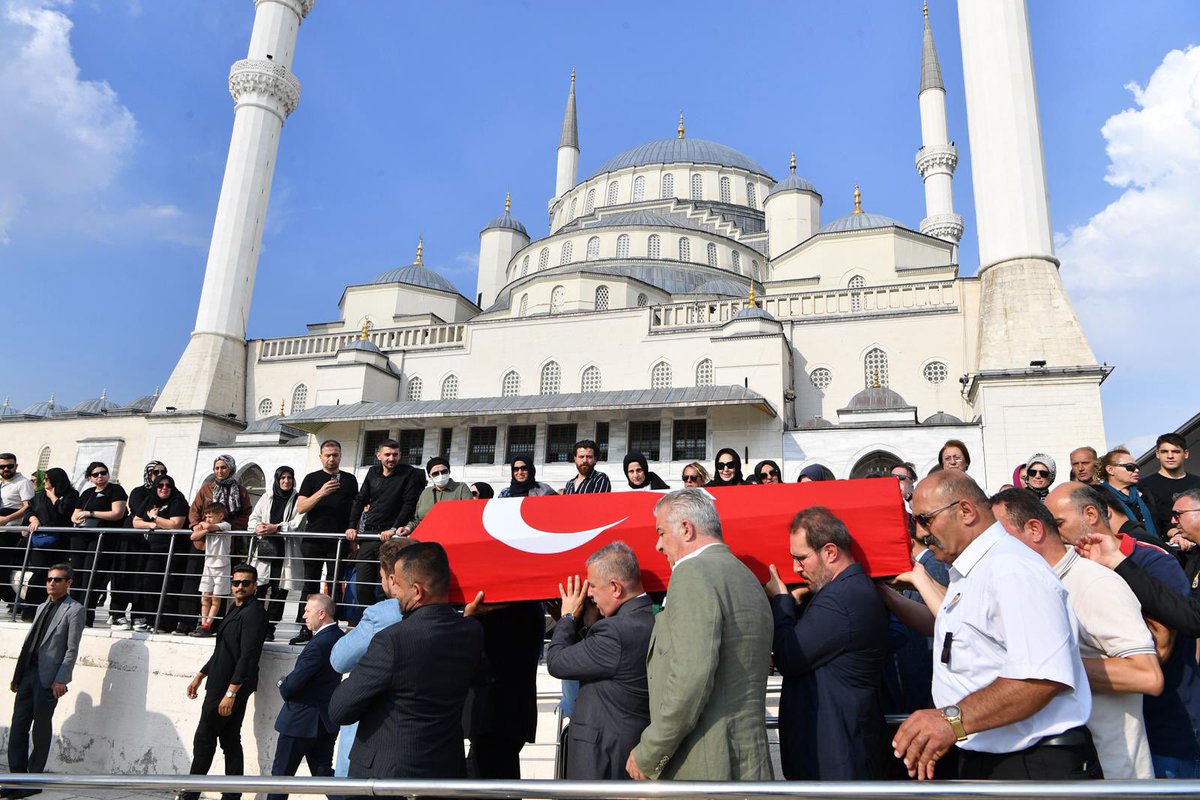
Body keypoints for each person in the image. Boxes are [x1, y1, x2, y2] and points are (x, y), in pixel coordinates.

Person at [889, 471, 1097, 781]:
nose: (921, 532)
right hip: (991, 756)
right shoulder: (976, 571)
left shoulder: (1011, 569)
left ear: (965, 511)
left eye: (926, 519)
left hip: (1031, 765)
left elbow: (1039, 678)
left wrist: (951, 721)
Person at [993, 487, 1160, 778]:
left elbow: (1147, 675)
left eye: (999, 536)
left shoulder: (1093, 582)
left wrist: (1050, 667)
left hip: (1112, 779)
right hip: (1063, 770)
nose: (991, 547)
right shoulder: (1030, 586)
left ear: (1034, 529)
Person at [1050, 482, 1200, 778]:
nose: (1052, 533)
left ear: (1091, 514)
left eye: (1058, 523)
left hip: (1167, 730)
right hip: (1116, 735)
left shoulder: (1152, 559)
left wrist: (1056, 668)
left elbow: (1161, 648)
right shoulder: (1074, 570)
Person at [627, 489, 773, 781]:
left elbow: (691, 676)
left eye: (661, 532)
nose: (658, 545)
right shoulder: (746, 576)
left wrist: (651, 751)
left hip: (703, 765)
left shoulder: (692, 573)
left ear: (685, 529)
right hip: (747, 763)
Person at [328, 542, 484, 787]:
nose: (394, 592)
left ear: (417, 591)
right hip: (444, 772)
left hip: (388, 779)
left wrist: (364, 678)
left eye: (397, 585)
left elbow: (339, 709)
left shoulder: (392, 640)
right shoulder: (471, 631)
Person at [765, 506, 887, 780]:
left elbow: (789, 656)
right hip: (837, 753)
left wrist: (781, 600)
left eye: (802, 558)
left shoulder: (841, 599)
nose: (796, 568)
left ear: (830, 552)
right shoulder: (846, 591)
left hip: (837, 759)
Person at [546, 542, 654, 779]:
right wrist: (588, 624)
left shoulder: (616, 633)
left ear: (615, 587)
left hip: (601, 758)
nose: (589, 594)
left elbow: (556, 661)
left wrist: (567, 617)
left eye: (592, 586)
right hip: (624, 749)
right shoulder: (649, 619)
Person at [182, 563, 269, 800]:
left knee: (205, 739)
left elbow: (247, 655)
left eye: (245, 583)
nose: (239, 587)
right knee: (230, 738)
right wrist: (201, 675)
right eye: (236, 582)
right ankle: (232, 794)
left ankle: (190, 794)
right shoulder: (234, 608)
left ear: (254, 586)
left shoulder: (255, 614)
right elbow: (224, 649)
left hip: (230, 686)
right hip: (220, 682)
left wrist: (231, 693)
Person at [329, 537, 411, 778]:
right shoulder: (444, 611)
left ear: (390, 576)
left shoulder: (381, 615)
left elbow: (339, 660)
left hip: (375, 737)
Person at [5, 564, 83, 797]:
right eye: (49, 579)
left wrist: (61, 679)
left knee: (40, 729)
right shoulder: (41, 606)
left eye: (57, 580)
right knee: (18, 727)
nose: (51, 583)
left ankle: (33, 780)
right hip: (28, 674)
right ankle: (16, 779)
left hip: (48, 679)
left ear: (68, 583)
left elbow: (71, 649)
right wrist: (18, 675)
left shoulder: (75, 610)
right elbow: (30, 643)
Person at [267, 593, 344, 800]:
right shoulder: (338, 636)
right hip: (325, 722)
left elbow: (292, 685)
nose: (304, 616)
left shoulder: (318, 645)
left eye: (307, 611)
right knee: (324, 777)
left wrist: (282, 682)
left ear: (322, 613)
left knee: (279, 780)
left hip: (299, 722)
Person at [346, 438, 424, 606]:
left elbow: (409, 503)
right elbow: (360, 500)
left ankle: (385, 625)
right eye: (387, 454)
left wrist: (394, 528)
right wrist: (352, 526)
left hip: (391, 536)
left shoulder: (408, 473)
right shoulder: (372, 472)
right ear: (378, 455)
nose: (391, 458)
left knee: (387, 588)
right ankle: (370, 619)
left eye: (395, 455)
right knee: (362, 586)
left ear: (400, 455)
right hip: (369, 534)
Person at [294, 440, 358, 643]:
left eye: (335, 455)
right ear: (321, 456)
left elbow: (354, 511)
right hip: (313, 538)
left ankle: (332, 626)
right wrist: (322, 492)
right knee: (310, 585)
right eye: (328, 455)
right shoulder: (312, 478)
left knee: (335, 583)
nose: (331, 459)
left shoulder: (349, 479)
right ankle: (305, 628)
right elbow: (301, 507)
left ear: (340, 456)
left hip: (339, 540)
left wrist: (354, 536)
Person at [184, 456, 251, 635]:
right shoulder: (206, 489)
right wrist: (197, 525)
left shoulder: (240, 490)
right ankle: (197, 623)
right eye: (217, 468)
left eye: (223, 467)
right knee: (203, 590)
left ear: (230, 469)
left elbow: (245, 515)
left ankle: (214, 625)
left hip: (227, 547)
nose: (220, 471)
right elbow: (195, 510)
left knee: (220, 592)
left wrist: (224, 529)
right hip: (204, 546)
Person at [248, 466, 304, 637]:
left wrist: (277, 528)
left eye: (289, 478)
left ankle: (269, 628)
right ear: (277, 479)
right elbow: (253, 517)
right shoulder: (267, 497)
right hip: (266, 548)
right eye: (283, 478)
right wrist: (258, 526)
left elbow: (298, 523)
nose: (286, 481)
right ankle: (254, 624)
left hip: (285, 550)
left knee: (279, 590)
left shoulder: (298, 499)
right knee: (260, 587)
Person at [70, 461, 127, 628]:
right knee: (77, 576)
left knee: (92, 577)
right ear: (90, 478)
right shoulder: (87, 493)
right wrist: (77, 518)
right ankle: (72, 614)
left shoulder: (115, 490)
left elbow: (117, 513)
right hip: (82, 537)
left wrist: (91, 513)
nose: (100, 476)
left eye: (103, 472)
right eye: (95, 474)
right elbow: (74, 514)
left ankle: (86, 615)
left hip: (102, 538)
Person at [130, 473, 189, 633]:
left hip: (173, 550)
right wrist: (154, 524)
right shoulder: (150, 500)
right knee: (149, 583)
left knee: (168, 586)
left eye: (168, 485)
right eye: (160, 485)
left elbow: (176, 524)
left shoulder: (178, 500)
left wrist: (155, 518)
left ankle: (165, 623)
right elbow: (135, 522)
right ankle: (151, 620)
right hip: (153, 549)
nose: (164, 488)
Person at [21, 469, 77, 621]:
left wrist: (53, 495)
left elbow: (64, 511)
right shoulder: (39, 496)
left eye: (48, 479)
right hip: (42, 542)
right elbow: (29, 511)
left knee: (57, 576)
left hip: (60, 543)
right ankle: (30, 609)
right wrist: (33, 519)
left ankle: (52, 609)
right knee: (39, 574)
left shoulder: (71, 495)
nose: (44, 481)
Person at [1139, 434, 1200, 541]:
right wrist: (1175, 533)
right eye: (1164, 451)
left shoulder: (1197, 482)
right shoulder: (1143, 486)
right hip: (1164, 549)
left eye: (1175, 451)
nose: (1170, 456)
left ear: (1185, 454)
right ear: (1157, 454)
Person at [189, 502, 233, 638]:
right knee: (205, 596)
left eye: (210, 516)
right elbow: (193, 537)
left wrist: (203, 526)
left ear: (220, 516)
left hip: (222, 565)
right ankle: (203, 623)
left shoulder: (226, 525)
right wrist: (203, 528)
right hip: (208, 565)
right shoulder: (207, 528)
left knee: (216, 598)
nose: (207, 519)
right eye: (206, 516)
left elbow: (209, 526)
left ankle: (208, 624)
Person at [1099, 447, 1160, 541]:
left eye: (1137, 467)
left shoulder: (1145, 493)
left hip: (1153, 549)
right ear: (1110, 470)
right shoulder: (1099, 496)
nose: (1136, 470)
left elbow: (1162, 523)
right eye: (1130, 467)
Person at [1, 454, 35, 607]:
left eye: (10, 466)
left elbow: (28, 506)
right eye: (2, 466)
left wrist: (7, 519)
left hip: (11, 532)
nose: (6, 469)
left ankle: (15, 602)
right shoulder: (2, 483)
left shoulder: (23, 483)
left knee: (4, 570)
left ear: (16, 465)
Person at [409, 456, 472, 531]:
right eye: (435, 473)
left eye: (444, 471)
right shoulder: (425, 492)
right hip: (426, 533)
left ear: (449, 471)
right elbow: (417, 519)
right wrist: (408, 528)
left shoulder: (461, 488)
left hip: (453, 533)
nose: (440, 475)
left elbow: (469, 514)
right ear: (430, 476)